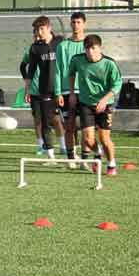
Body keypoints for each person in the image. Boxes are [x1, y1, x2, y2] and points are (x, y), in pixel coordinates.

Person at [64, 34, 122, 176]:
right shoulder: (77, 60)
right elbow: (71, 74)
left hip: (105, 105)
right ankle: (98, 153)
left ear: (100, 48)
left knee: (104, 138)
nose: (90, 52)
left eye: (93, 48)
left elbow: (117, 85)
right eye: (87, 48)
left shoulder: (109, 63)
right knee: (88, 139)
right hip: (85, 103)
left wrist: (104, 100)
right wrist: (72, 93)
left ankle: (111, 164)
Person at [22, 16, 60, 161]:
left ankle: (72, 152)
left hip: (63, 89)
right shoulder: (36, 47)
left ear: (49, 28)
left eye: (42, 28)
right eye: (37, 29)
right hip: (45, 90)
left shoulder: (61, 42)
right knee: (45, 123)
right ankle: (50, 155)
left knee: (68, 123)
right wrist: (27, 89)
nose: (39, 31)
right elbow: (30, 70)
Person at [54, 11, 88, 167]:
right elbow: (58, 70)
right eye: (73, 22)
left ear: (84, 24)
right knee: (70, 126)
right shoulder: (62, 46)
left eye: (79, 22)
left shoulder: (89, 45)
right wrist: (58, 92)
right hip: (67, 93)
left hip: (86, 92)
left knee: (87, 127)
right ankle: (70, 158)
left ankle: (85, 159)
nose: (76, 25)